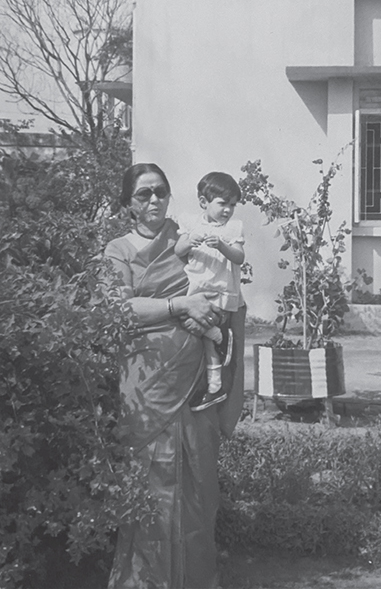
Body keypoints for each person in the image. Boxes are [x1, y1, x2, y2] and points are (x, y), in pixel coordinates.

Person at [104, 163, 245, 589]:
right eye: (143, 194)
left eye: (160, 192)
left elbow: (226, 287)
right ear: (128, 203)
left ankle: (197, 579)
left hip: (197, 384)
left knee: (198, 483)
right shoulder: (119, 250)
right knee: (151, 484)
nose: (153, 200)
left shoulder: (187, 237)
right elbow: (117, 308)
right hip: (146, 386)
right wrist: (177, 307)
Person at [175, 172, 245, 412]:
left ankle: (214, 386)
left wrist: (223, 246)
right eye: (222, 204)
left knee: (205, 340)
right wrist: (190, 240)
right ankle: (217, 336)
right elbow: (178, 250)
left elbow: (239, 257)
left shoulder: (233, 228)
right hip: (195, 290)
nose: (228, 210)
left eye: (232, 205)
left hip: (219, 291)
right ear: (204, 202)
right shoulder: (192, 224)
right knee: (188, 323)